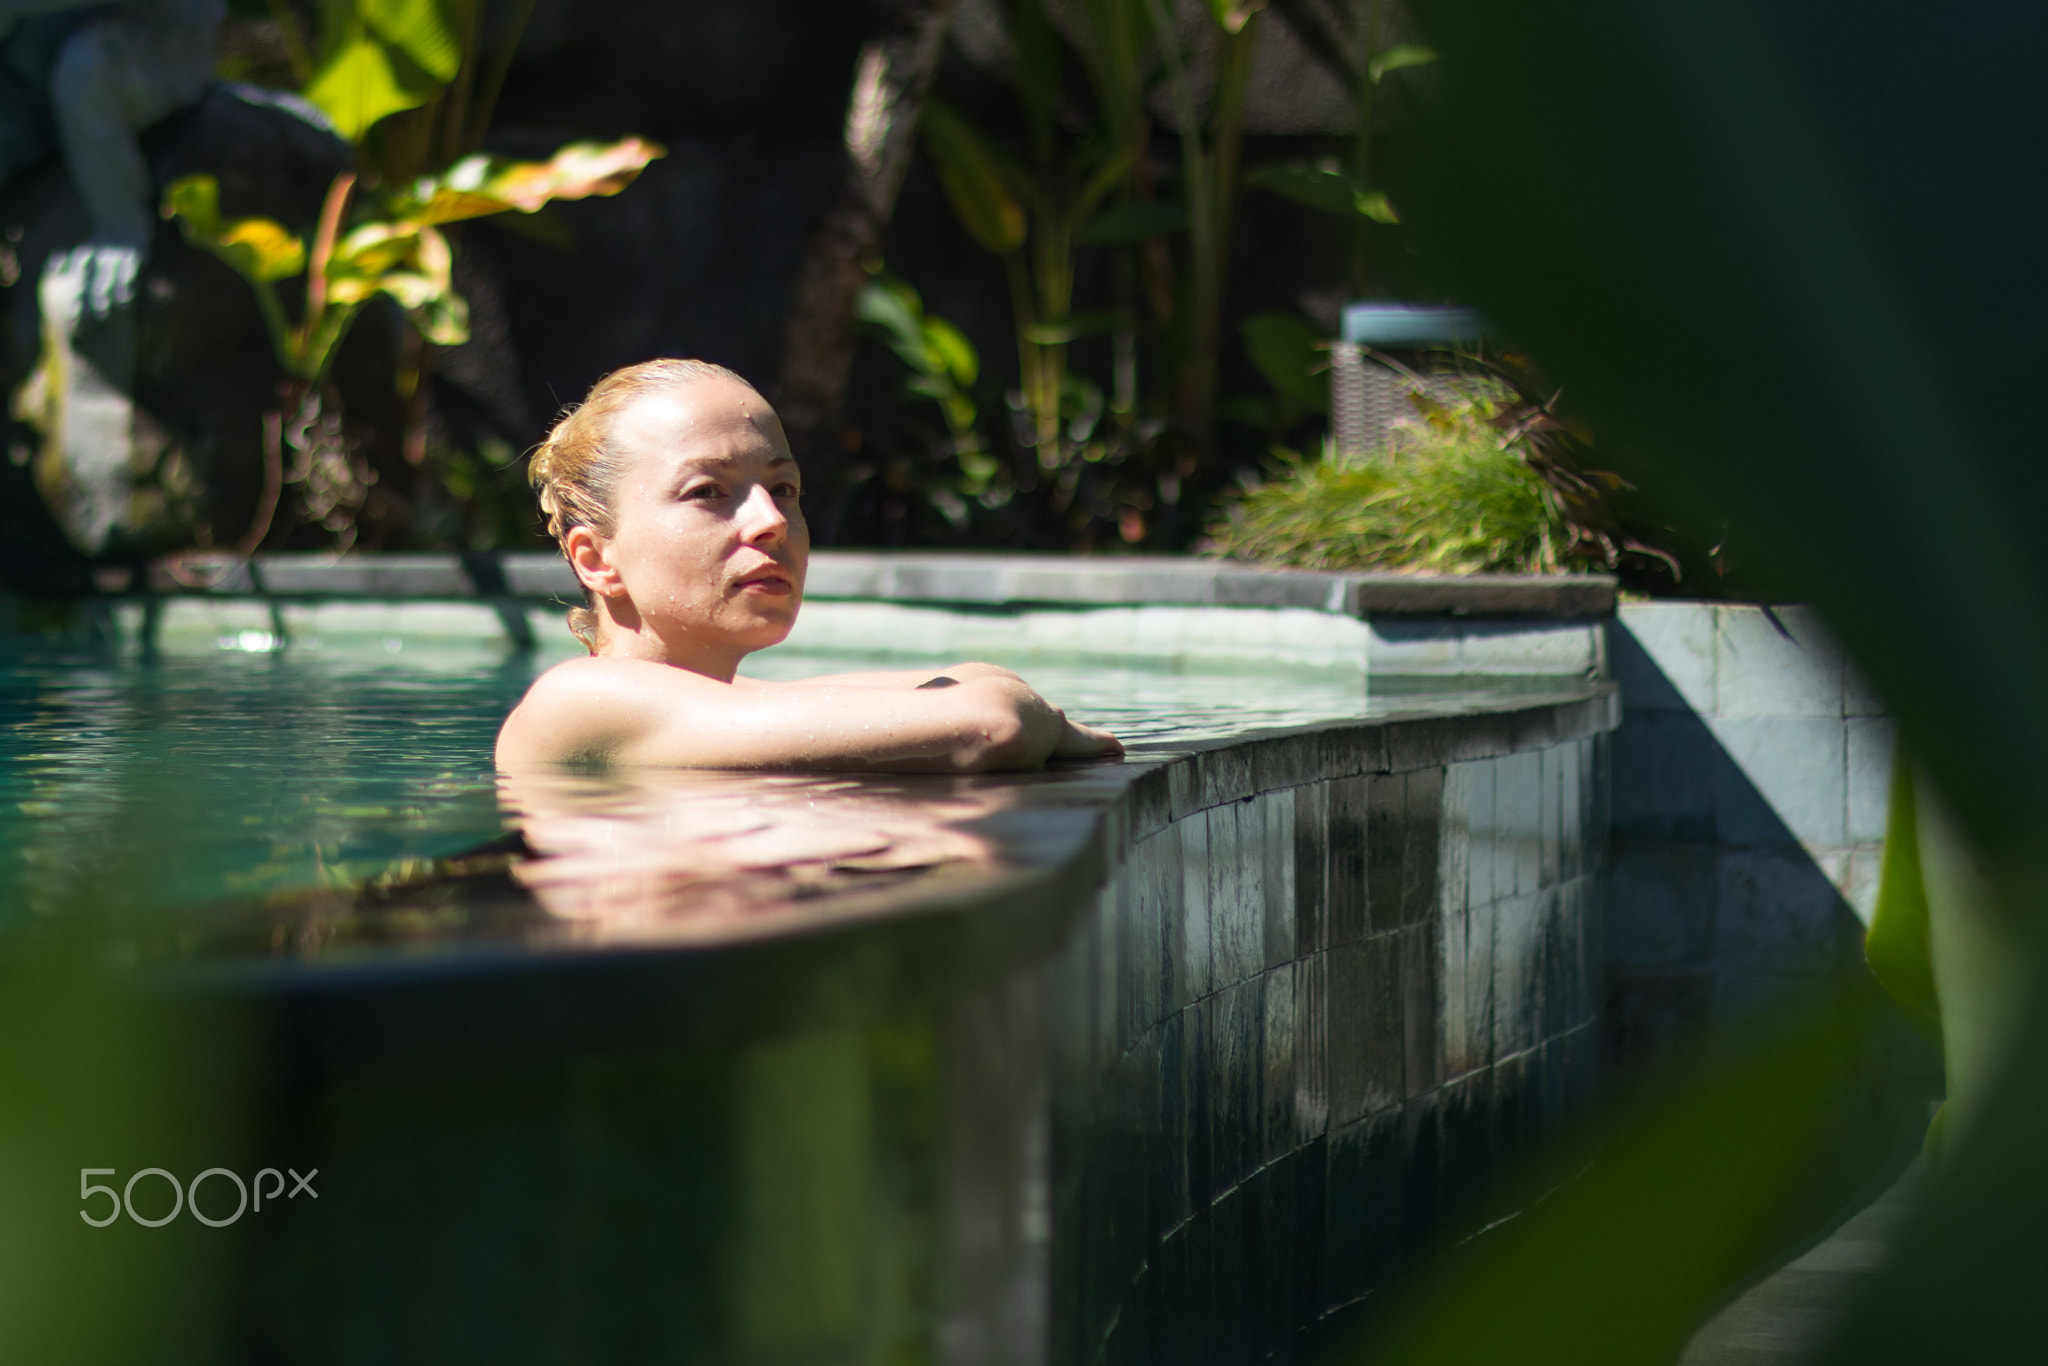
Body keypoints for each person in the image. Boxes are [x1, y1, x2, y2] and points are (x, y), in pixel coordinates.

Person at [495, 358, 1123, 772]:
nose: (771, 520)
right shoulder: (578, 702)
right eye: (708, 491)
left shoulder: (720, 701)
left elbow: (976, 680)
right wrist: (1032, 717)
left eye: (785, 489)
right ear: (598, 559)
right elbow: (987, 722)